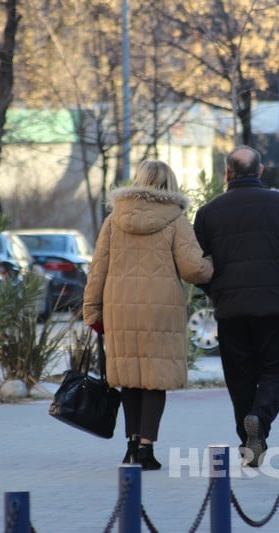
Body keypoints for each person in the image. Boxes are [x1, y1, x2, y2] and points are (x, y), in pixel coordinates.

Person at [82, 160, 213, 470]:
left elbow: (98, 268)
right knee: (155, 378)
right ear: (170, 184)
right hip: (160, 309)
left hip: (120, 307)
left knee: (130, 378)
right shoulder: (176, 219)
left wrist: (91, 309)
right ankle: (146, 449)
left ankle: (130, 447)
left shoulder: (114, 219)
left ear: (138, 180)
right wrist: (211, 264)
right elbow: (193, 269)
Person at [194, 146, 279, 467]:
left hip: (231, 309)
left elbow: (197, 265)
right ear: (260, 171)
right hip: (275, 306)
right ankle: (259, 419)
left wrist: (216, 292)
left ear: (227, 173)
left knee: (240, 377)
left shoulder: (208, 212)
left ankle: (249, 445)